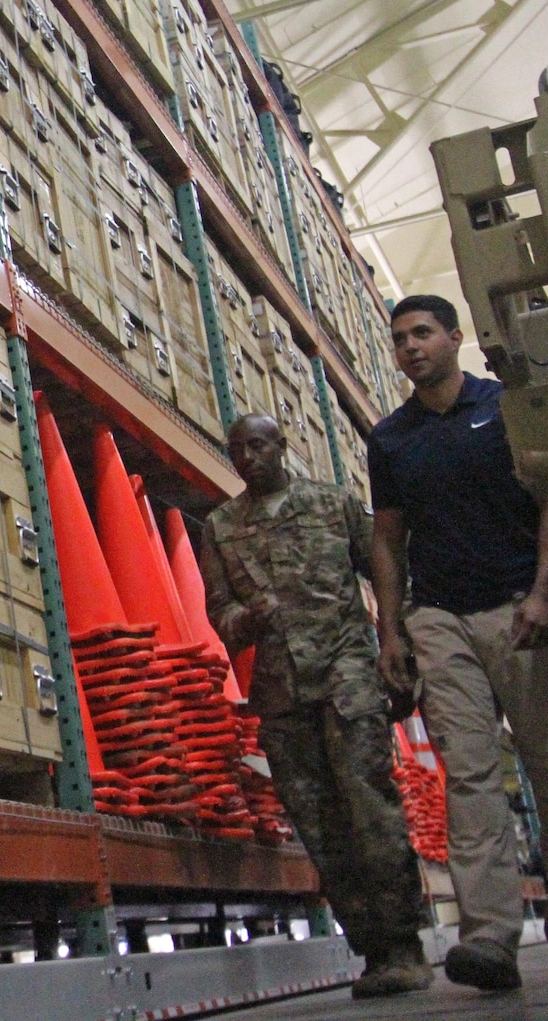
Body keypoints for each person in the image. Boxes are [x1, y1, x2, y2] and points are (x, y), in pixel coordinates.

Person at [367, 294, 548, 991]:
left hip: (517, 605)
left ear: (454, 337)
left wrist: (542, 591)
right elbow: (388, 538)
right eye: (399, 339)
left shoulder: (504, 408)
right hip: (440, 617)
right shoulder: (391, 438)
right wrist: (392, 628)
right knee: (470, 778)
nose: (410, 347)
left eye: (422, 333)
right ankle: (490, 935)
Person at [197, 414, 432, 999]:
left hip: (347, 679)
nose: (248, 458)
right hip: (281, 695)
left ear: (284, 446)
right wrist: (245, 620)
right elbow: (218, 612)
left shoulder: (333, 505)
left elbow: (383, 570)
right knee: (318, 825)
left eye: (258, 446)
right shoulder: (222, 526)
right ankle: (373, 950)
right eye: (237, 450)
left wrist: (396, 642)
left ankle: (405, 944)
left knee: (370, 809)